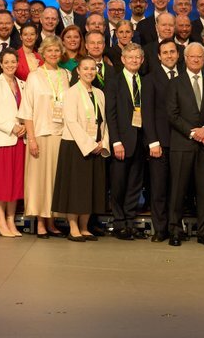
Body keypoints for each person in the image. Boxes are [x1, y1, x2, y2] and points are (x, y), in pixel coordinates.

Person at [166, 42, 204, 246]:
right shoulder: (175, 83)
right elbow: (172, 114)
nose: (196, 59)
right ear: (185, 58)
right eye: (192, 56)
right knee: (178, 190)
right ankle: (175, 230)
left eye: (200, 56)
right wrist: (194, 133)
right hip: (182, 144)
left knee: (203, 190)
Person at [52, 57, 111, 241]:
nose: (89, 72)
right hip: (76, 146)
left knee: (90, 188)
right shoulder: (71, 93)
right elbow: (71, 122)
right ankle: (73, 227)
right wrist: (90, 145)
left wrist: (103, 142)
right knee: (75, 189)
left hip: (96, 146)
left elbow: (104, 122)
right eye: (85, 68)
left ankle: (85, 227)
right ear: (78, 71)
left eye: (92, 69)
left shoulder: (99, 93)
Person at [19, 37, 67, 238]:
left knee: (55, 180)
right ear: (43, 53)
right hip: (40, 134)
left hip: (61, 135)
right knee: (40, 181)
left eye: (57, 50)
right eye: (50, 51)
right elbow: (27, 110)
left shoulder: (66, 75)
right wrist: (31, 139)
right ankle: (40, 222)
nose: (53, 54)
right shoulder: (34, 76)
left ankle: (52, 221)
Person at [105, 43, 147, 239]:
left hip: (140, 140)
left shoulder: (144, 81)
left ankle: (130, 221)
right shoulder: (114, 81)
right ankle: (119, 222)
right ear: (122, 59)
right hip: (121, 142)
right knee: (118, 184)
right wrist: (116, 142)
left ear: (142, 59)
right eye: (130, 57)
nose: (134, 60)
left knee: (135, 184)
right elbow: (110, 114)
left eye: (137, 57)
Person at [0, 52, 26, 238]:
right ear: (0, 64)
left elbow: (27, 110)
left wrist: (23, 126)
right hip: (2, 139)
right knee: (1, 183)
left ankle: (11, 221)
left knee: (15, 183)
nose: (10, 65)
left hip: (20, 140)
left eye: (13, 61)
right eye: (6, 62)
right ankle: (1, 222)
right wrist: (12, 127)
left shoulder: (23, 84)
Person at [141, 40, 177, 242]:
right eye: (165, 52)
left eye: (172, 52)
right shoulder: (150, 79)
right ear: (159, 56)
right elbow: (147, 113)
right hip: (159, 143)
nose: (169, 55)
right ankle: (161, 228)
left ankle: (175, 227)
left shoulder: (184, 76)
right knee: (159, 188)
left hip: (181, 142)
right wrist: (152, 141)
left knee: (177, 189)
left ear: (178, 54)